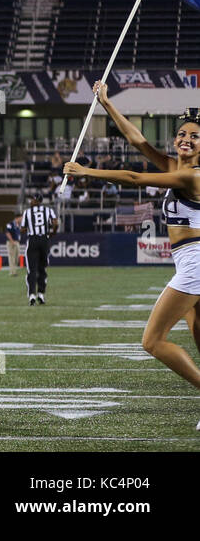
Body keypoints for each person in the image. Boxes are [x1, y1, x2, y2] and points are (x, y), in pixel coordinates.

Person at [63, 101, 200, 424]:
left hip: (195, 261)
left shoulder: (193, 176)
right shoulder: (174, 167)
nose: (186, 139)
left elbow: (135, 178)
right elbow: (138, 142)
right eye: (182, 134)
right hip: (188, 261)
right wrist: (107, 103)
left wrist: (86, 171)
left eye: (195, 136)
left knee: (152, 340)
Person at [19, 192, 58, 305]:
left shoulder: (27, 212)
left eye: (32, 199)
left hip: (33, 240)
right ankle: (41, 294)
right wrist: (52, 233)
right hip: (44, 241)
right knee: (42, 269)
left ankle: (32, 295)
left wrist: (29, 229)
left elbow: (22, 229)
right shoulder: (48, 210)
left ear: (36, 200)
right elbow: (55, 223)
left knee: (32, 270)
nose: (30, 201)